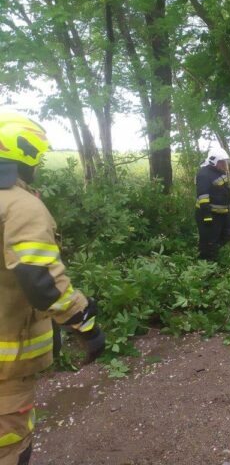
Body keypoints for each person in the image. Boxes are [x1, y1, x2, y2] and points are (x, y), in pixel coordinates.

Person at [0, 113, 105, 465]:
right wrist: (85, 323)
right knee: (10, 446)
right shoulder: (21, 206)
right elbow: (40, 279)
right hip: (5, 362)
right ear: (24, 153)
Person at [195, 148, 230, 261]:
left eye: (224, 162)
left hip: (222, 213)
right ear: (213, 161)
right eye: (221, 162)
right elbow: (203, 196)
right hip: (209, 214)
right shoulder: (204, 174)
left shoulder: (219, 172)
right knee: (209, 240)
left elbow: (224, 191)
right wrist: (207, 215)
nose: (224, 165)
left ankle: (213, 251)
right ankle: (206, 262)